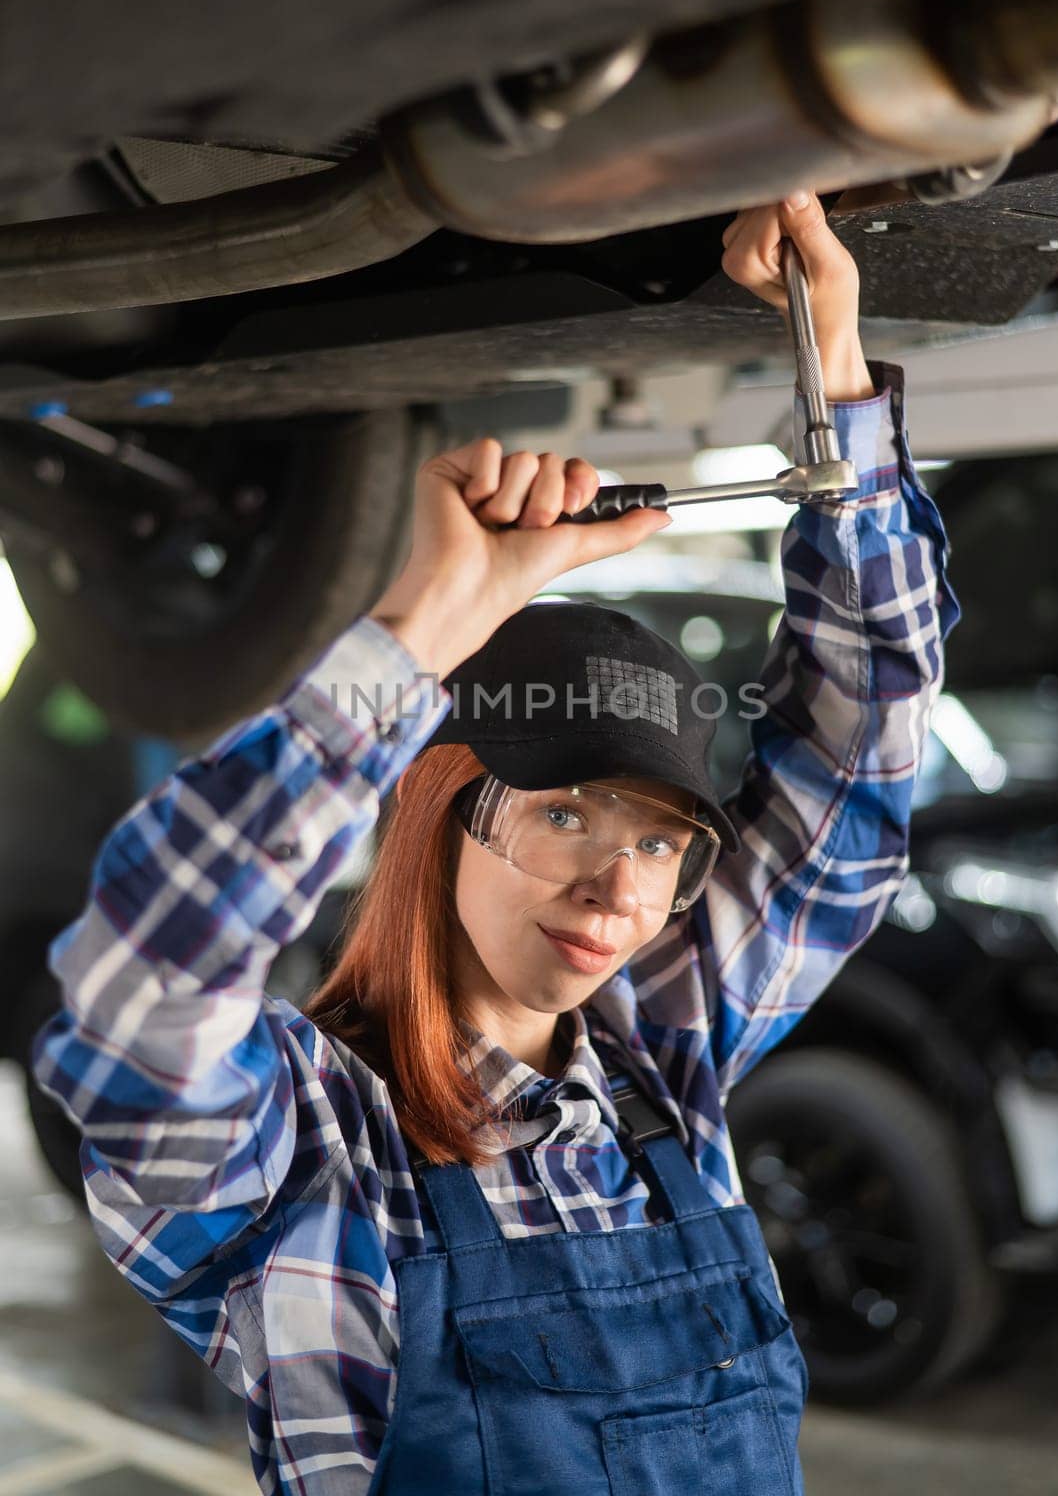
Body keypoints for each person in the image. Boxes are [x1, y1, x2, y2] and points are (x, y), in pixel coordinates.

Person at [31, 191, 959, 1495]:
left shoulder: (661, 1074)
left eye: (661, 844)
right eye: (564, 813)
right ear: (435, 811)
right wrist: (418, 627)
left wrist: (836, 373)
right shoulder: (295, 1148)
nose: (616, 886)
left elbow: (854, 778)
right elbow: (137, 994)